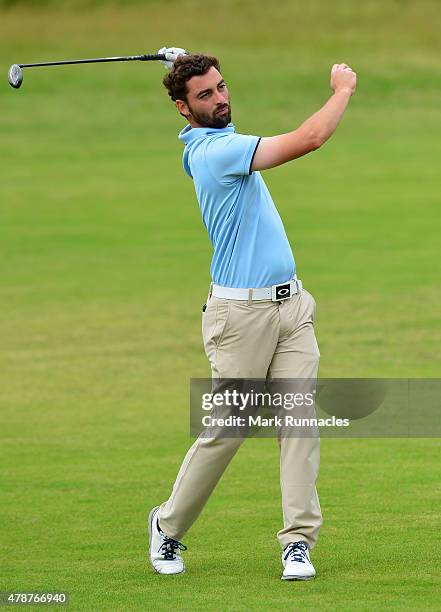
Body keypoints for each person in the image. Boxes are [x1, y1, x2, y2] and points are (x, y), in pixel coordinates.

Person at [148, 47, 357, 580]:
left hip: (293, 309)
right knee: (229, 430)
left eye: (220, 87)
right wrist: (342, 91)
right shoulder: (216, 153)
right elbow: (309, 139)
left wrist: (188, 57)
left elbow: (202, 87)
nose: (220, 99)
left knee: (299, 424)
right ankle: (167, 527)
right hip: (239, 318)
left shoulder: (219, 139)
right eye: (204, 95)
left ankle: (297, 542)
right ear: (182, 108)